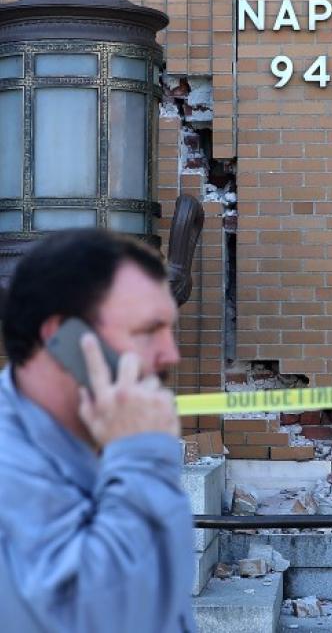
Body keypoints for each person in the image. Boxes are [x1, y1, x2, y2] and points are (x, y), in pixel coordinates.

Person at [0, 228, 196, 632]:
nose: (170, 353)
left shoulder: (91, 433)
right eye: (146, 331)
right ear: (64, 338)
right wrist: (141, 456)